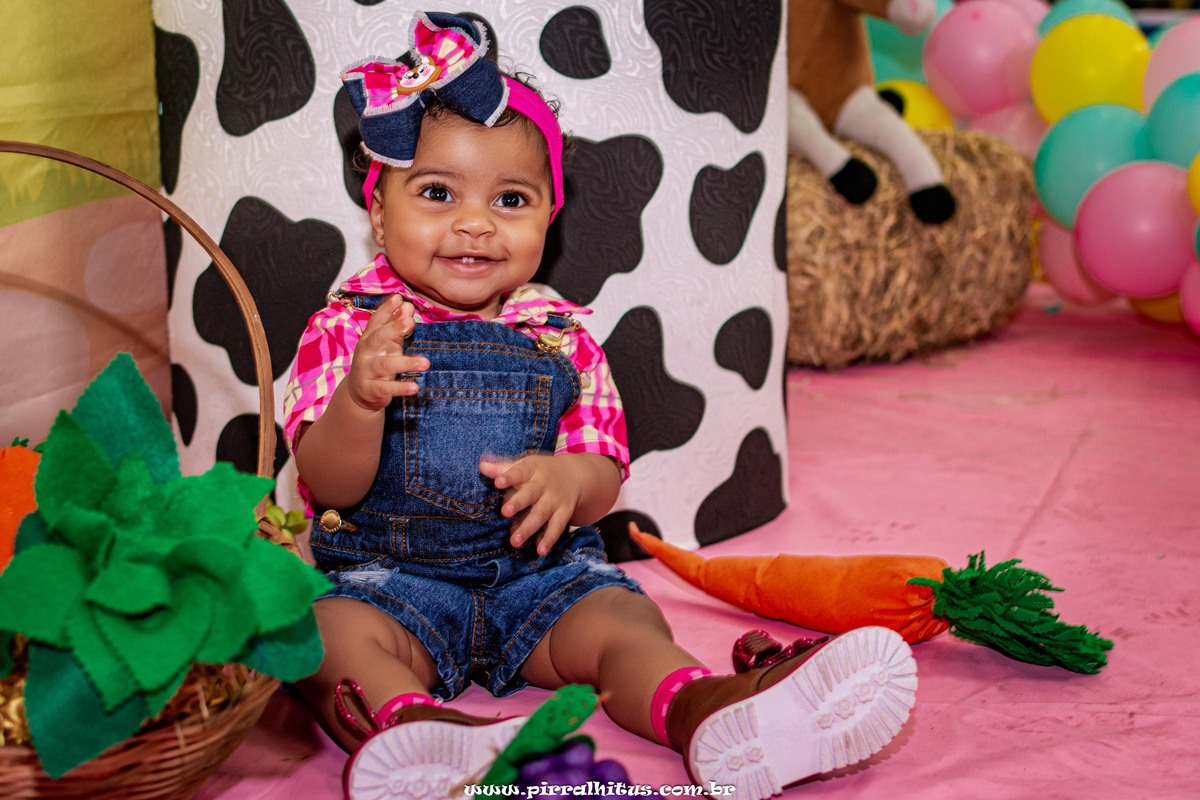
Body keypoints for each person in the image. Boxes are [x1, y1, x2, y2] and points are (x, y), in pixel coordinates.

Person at [283, 11, 917, 799]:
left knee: (623, 622)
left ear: (549, 216)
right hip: (388, 581)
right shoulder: (349, 328)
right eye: (437, 193)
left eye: (510, 199)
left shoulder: (563, 335)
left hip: (538, 578)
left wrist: (568, 481)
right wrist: (359, 400)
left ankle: (710, 710)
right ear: (380, 212)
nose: (475, 223)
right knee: (325, 633)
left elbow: (605, 470)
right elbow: (329, 483)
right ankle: (415, 734)